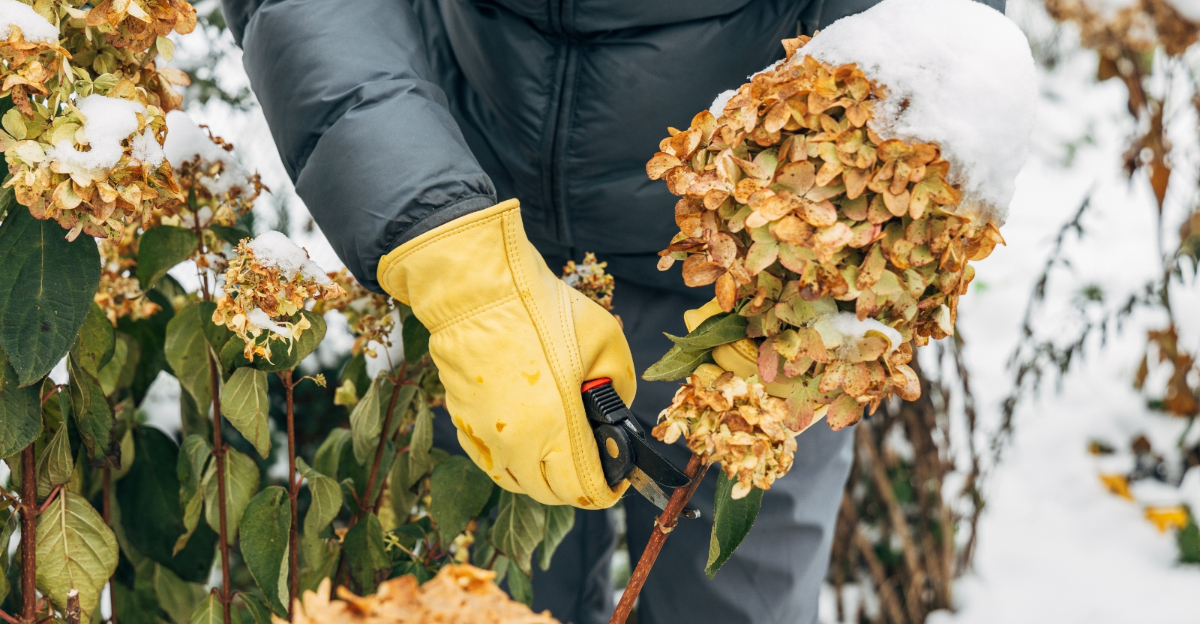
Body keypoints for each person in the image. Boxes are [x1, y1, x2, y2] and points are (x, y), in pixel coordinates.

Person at [219, 0, 1004, 621]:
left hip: (742, 294)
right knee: (482, 590)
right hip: (474, 214)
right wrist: (449, 254)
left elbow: (929, 29)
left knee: (735, 600)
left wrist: (830, 285)